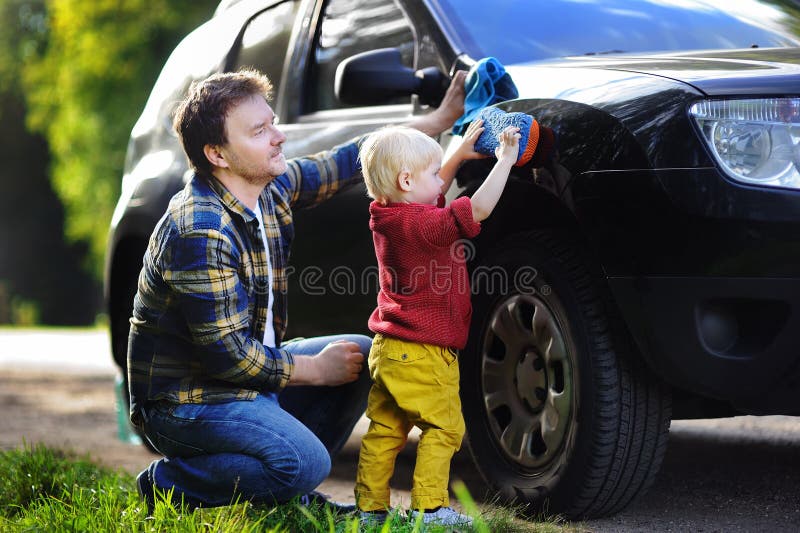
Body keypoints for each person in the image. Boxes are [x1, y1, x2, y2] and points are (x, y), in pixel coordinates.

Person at [127, 67, 466, 512]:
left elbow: (350, 159)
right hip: (186, 402)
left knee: (359, 353)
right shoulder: (201, 229)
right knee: (306, 462)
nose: (279, 136)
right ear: (218, 154)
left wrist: (438, 123)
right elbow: (227, 356)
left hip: (243, 388)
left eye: (272, 122)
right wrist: (314, 371)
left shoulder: (267, 188)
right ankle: (171, 484)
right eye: (260, 130)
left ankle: (285, 493)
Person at [354, 120, 521, 526]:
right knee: (444, 429)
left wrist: (458, 153)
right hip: (425, 353)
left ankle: (369, 511)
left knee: (385, 432)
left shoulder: (389, 215)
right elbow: (477, 209)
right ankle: (429, 510)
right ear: (407, 180)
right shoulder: (425, 227)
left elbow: (428, 189)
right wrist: (505, 162)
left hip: (390, 349)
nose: (441, 182)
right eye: (433, 173)